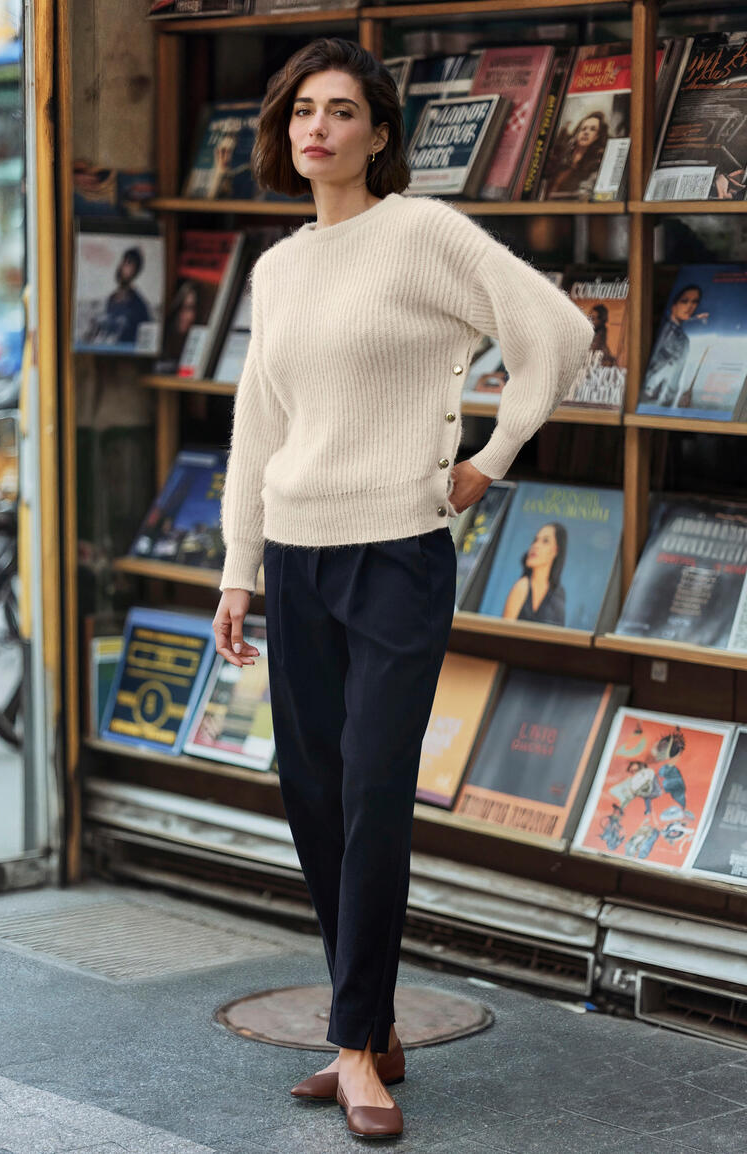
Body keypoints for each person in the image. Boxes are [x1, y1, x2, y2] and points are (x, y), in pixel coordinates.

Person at [211, 36, 592, 1140]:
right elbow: (256, 428)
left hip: (397, 553)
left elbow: (556, 333)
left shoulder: (422, 235)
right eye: (300, 113)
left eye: (341, 111)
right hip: (295, 549)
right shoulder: (279, 267)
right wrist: (238, 569)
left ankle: (352, 1047)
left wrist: (488, 459)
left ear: (380, 134)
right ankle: (367, 1022)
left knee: (375, 791)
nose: (316, 128)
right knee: (315, 795)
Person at [640, 284, 707, 408]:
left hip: (665, 401)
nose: (690, 306)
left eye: (695, 302)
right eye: (684, 301)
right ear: (673, 305)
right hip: (649, 395)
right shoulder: (666, 332)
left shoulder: (683, 338)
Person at [502, 522, 567, 625]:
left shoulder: (559, 593)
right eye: (535, 540)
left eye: (545, 541)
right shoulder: (522, 586)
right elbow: (503, 632)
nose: (536, 546)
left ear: (556, 550)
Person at [542, 111, 608, 200]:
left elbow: (584, 196)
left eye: (592, 129)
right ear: (577, 133)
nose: (586, 132)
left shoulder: (595, 166)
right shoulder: (561, 158)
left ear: (597, 136)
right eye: (583, 129)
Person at [95, 246, 151, 346]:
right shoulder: (111, 299)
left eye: (129, 263)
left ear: (135, 271)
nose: (123, 266)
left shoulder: (139, 305)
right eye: (124, 261)